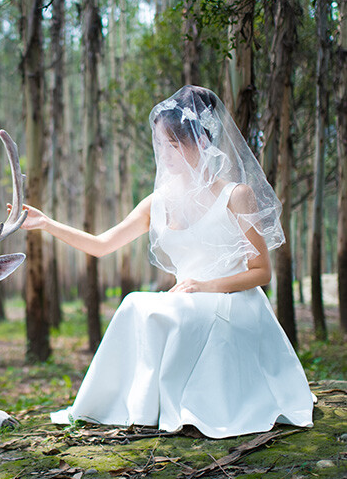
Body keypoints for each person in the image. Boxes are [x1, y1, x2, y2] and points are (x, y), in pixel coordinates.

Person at [20, 85, 314, 438]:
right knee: (134, 304)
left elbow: (261, 271)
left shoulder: (236, 195)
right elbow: (101, 245)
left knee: (167, 310)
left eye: (174, 144)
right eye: (161, 144)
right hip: (187, 298)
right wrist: (47, 223)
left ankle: (179, 407)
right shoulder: (157, 202)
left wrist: (205, 286)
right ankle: (129, 407)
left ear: (202, 142)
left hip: (233, 304)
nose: (166, 154)